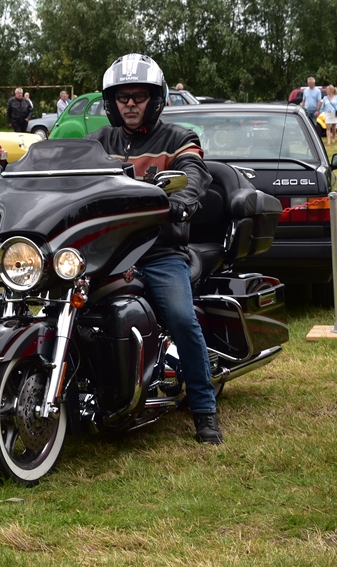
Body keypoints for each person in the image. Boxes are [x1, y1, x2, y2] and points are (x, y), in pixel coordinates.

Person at [87, 53, 222, 444]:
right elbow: (69, 174)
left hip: (159, 250)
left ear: (156, 99)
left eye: (139, 96)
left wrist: (181, 200)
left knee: (180, 318)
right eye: (122, 97)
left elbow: (194, 173)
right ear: (111, 102)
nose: (130, 104)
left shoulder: (178, 138)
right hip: (107, 252)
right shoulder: (98, 141)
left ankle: (204, 410)